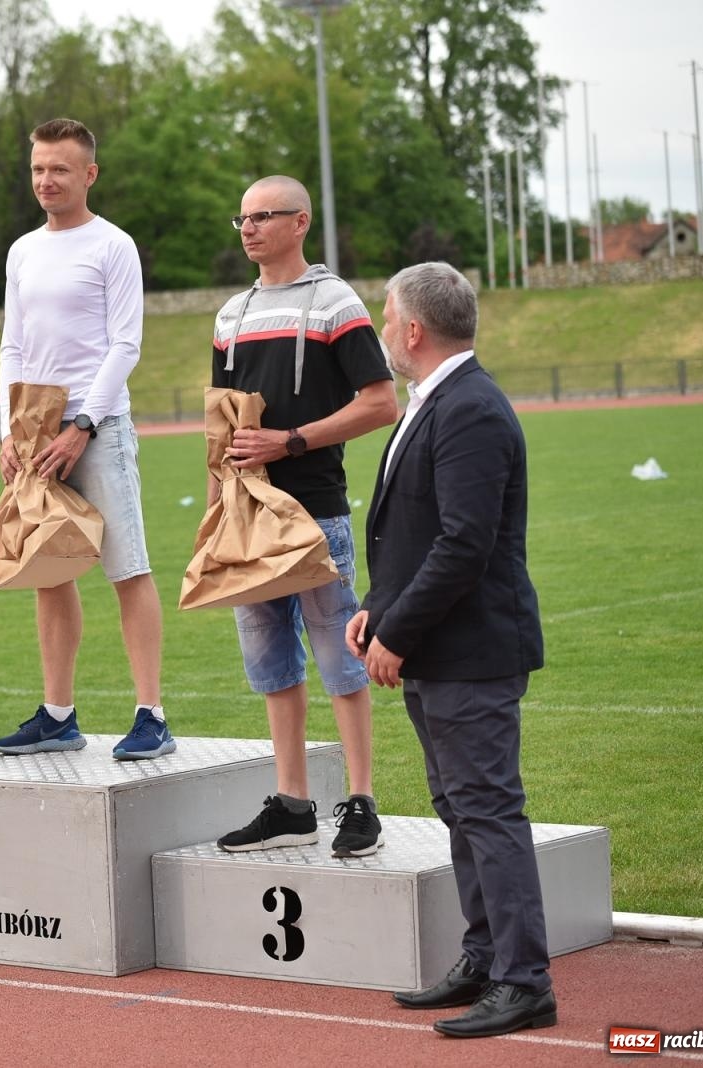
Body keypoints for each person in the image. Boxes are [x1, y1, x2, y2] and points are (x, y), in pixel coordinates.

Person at [346, 261, 555, 1037]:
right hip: (440, 648)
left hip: (470, 651)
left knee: (488, 812)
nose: (381, 330)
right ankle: (485, 956)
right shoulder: (435, 401)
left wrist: (398, 632)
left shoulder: (469, 408)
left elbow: (467, 544)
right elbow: (415, 535)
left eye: (385, 316)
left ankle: (524, 980)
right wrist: (375, 610)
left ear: (411, 330)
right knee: (461, 811)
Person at [210, 175, 399, 856]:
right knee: (272, 668)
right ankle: (292, 802)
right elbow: (224, 424)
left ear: (300, 223)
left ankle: (363, 802)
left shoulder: (334, 302)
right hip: (249, 519)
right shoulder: (230, 314)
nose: (249, 228)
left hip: (315, 512)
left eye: (264, 216)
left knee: (341, 662)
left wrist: (291, 441)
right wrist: (215, 514)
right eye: (242, 218)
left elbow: (382, 402)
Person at [0, 117, 173, 761]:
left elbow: (126, 343)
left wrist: (82, 425)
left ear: (89, 174)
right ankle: (58, 715)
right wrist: (10, 427)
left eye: (60, 169)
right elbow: (13, 344)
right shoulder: (21, 250)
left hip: (99, 428)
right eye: (39, 168)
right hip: (35, 430)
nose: (47, 179)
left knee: (128, 569)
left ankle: (152, 713)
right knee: (50, 572)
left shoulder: (113, 245)